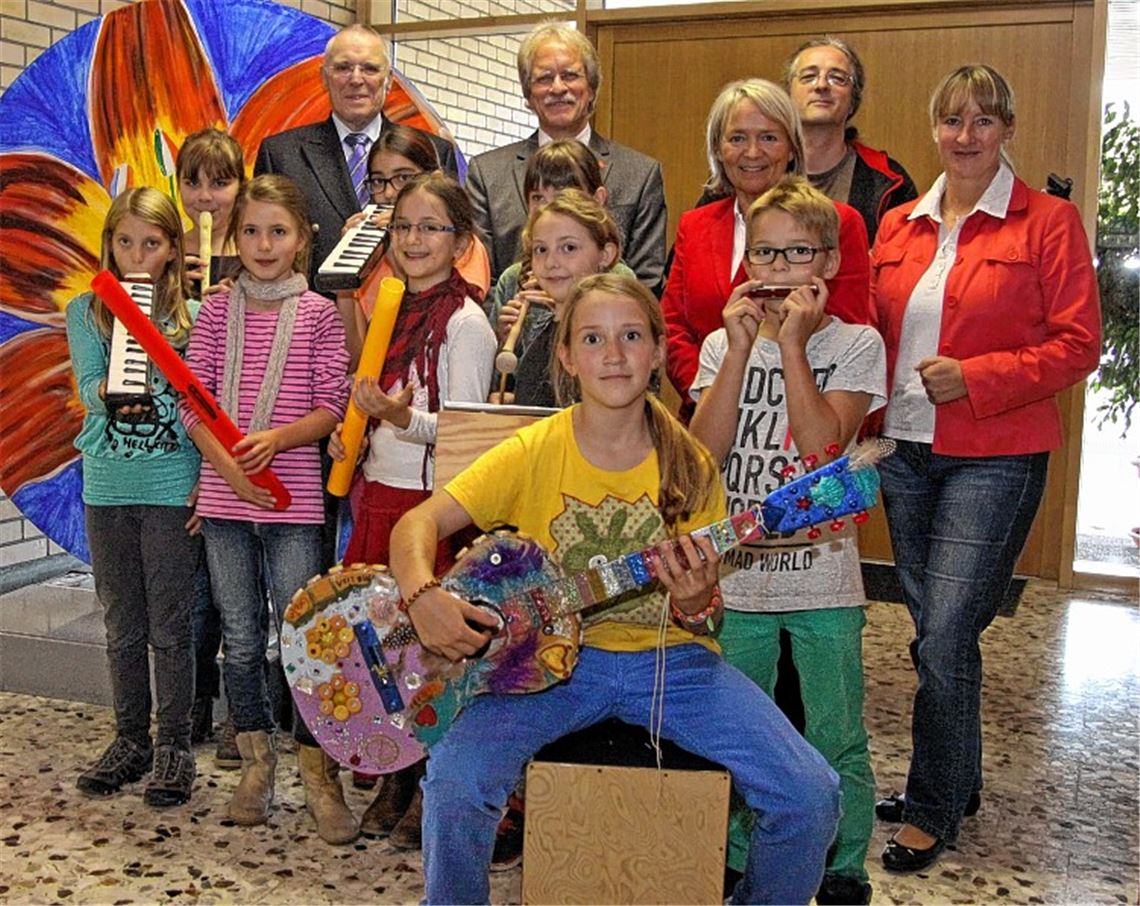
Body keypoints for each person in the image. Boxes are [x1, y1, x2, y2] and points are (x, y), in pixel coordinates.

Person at [387, 272, 841, 905]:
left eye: (631, 336)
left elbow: (703, 621)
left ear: (657, 352)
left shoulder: (689, 463)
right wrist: (422, 594)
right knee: (458, 781)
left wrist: (690, 602)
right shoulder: (533, 450)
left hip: (671, 662)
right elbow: (418, 522)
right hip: (547, 664)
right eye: (593, 338)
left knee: (811, 793)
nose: (614, 353)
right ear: (567, 358)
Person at [869, 65, 1100, 873]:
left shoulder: (1048, 222)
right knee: (939, 636)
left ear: (1005, 130)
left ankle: (931, 807)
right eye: (952, 120)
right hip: (903, 451)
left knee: (942, 637)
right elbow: (873, 335)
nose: (966, 136)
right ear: (935, 129)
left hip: (994, 456)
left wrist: (979, 376)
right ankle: (955, 778)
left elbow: (1079, 344)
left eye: (984, 120)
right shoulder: (899, 224)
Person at [690, 177, 886, 905]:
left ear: (828, 264)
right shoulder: (721, 342)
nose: (773, 270)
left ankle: (841, 867)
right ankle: (744, 858)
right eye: (762, 252)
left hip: (824, 581)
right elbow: (702, 453)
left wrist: (794, 347)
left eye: (794, 253)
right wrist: (742, 351)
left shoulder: (856, 344)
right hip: (736, 581)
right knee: (741, 733)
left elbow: (822, 453)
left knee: (835, 731)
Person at [181, 175, 355, 844]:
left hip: (294, 503)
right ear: (234, 238)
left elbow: (332, 405)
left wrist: (278, 441)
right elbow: (192, 401)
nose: (262, 244)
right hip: (226, 499)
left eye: (277, 231)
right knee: (243, 638)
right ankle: (256, 765)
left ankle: (319, 775)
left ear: (303, 240)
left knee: (306, 638)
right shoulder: (217, 312)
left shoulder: (315, 314)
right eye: (250, 231)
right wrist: (227, 469)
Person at [331, 172, 496, 849]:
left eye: (431, 228)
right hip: (378, 493)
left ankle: (425, 780)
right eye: (403, 227)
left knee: (428, 657)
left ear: (461, 242)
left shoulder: (467, 322)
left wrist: (396, 414)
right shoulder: (391, 309)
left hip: (430, 511)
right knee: (379, 650)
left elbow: (463, 433)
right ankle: (392, 768)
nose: (415, 239)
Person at [66, 187, 201, 808]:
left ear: (174, 249)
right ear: (109, 245)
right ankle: (130, 738)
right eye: (125, 243)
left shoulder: (192, 319)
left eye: (152, 244)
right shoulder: (87, 311)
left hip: (170, 484)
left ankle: (174, 743)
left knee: (171, 623)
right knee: (121, 619)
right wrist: (112, 394)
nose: (137, 255)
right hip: (108, 484)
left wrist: (203, 476)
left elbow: (201, 408)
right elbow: (90, 383)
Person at [661, 78, 872, 422]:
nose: (753, 152)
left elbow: (845, 327)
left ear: (792, 148)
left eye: (769, 137)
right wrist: (712, 390)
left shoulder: (839, 222)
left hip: (805, 419)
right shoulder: (695, 226)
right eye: (737, 138)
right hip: (707, 417)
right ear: (717, 149)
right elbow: (673, 326)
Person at [466, 23, 667, 295]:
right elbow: (481, 279)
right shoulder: (486, 174)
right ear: (527, 94)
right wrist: (506, 324)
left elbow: (646, 282)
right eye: (544, 78)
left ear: (592, 88)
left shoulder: (640, 174)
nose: (558, 88)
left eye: (570, 75)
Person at [254, 24, 457, 290]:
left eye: (370, 69)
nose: (356, 79)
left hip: (411, 317)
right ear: (324, 77)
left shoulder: (435, 153)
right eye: (343, 68)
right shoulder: (281, 155)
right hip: (310, 321)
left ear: (388, 79)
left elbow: (455, 247)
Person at [175, 127, 246, 762]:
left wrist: (227, 304)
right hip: (187, 446)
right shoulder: (170, 260)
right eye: (192, 182)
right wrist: (184, 299)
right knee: (195, 599)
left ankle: (242, 714)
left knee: (241, 599)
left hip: (241, 445)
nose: (206, 197)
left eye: (219, 182)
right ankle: (193, 705)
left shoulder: (257, 255)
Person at [337, 125, 491, 369]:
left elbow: (430, 325)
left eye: (403, 178)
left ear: (434, 177)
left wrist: (398, 247)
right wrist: (345, 269)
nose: (389, 193)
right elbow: (355, 358)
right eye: (378, 181)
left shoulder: (461, 245)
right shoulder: (368, 249)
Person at [782, 36, 917, 244]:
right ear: (787, 93)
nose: (821, 85)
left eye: (837, 78)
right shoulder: (756, 168)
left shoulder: (889, 182)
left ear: (853, 100)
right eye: (808, 76)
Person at [494, 189, 621, 408]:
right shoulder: (544, 332)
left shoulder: (608, 336)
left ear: (605, 254)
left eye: (568, 248)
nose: (551, 262)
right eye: (541, 249)